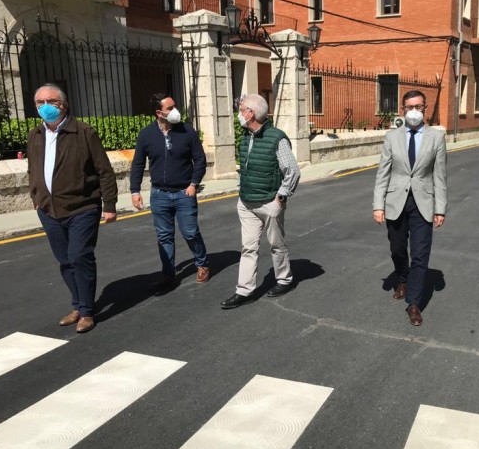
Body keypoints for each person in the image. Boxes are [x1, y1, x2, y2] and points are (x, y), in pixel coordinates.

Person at [27, 83, 118, 333]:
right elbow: (32, 169)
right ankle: (78, 304)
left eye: (51, 101)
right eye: (40, 103)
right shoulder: (35, 135)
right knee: (65, 261)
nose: (45, 107)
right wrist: (36, 196)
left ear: (63, 104)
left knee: (80, 256)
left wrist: (109, 204)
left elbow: (104, 171)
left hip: (83, 207)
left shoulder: (83, 132)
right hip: (48, 210)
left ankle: (87, 312)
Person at [373, 90, 447, 327]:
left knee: (421, 254)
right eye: (409, 107)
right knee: (397, 248)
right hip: (396, 201)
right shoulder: (391, 137)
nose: (414, 111)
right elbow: (382, 172)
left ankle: (414, 303)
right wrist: (378, 204)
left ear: (425, 108)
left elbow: (440, 175)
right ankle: (402, 279)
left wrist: (440, 208)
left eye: (418, 106)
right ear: (402, 110)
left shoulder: (436, 137)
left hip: (423, 203)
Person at [220, 94, 301, 309]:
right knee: (248, 248)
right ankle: (244, 290)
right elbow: (245, 166)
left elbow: (292, 171)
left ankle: (284, 280)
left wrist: (281, 197)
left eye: (241, 109)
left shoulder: (277, 138)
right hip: (246, 202)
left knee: (276, 244)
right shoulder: (246, 135)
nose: (239, 113)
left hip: (269, 202)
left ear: (251, 113)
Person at [130, 93, 210, 289]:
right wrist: (134, 190)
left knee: (190, 232)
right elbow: (138, 164)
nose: (175, 111)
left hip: (184, 193)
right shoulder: (146, 134)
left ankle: (202, 264)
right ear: (159, 113)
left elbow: (200, 160)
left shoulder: (187, 132)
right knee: (164, 236)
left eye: (175, 106)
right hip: (159, 195)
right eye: (170, 108)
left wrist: (193, 184)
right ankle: (169, 274)